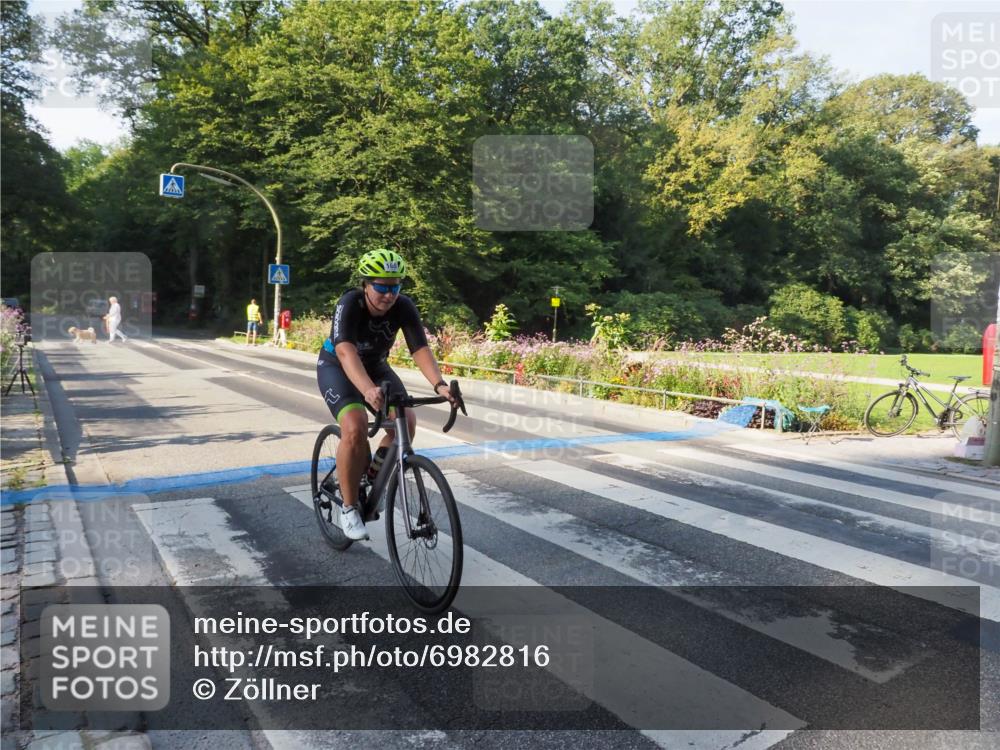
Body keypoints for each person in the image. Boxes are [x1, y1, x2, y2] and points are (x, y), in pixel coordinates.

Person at [316, 248, 456, 540]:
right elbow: (345, 350)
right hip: (338, 366)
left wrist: (439, 385)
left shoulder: (403, 306)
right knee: (354, 427)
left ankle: (370, 476)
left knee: (408, 420)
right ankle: (350, 506)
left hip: (376, 367)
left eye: (395, 287)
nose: (389, 294)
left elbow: (420, 348)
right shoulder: (350, 303)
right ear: (366, 284)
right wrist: (366, 389)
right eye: (381, 286)